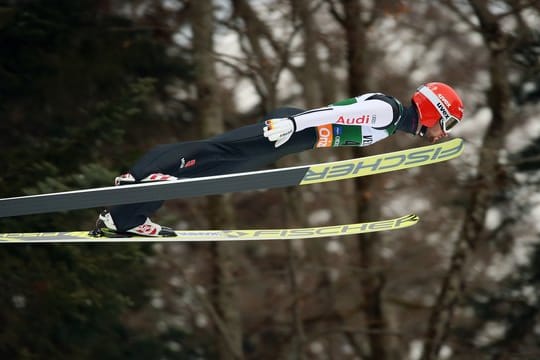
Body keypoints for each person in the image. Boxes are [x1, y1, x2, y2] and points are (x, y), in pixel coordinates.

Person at [91, 82, 464, 237]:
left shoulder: (394, 118)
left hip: (297, 136)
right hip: (296, 129)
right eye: (445, 123)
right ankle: (137, 177)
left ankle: (125, 216)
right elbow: (330, 113)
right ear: (434, 110)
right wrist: (289, 124)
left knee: (211, 166)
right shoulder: (386, 111)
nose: (442, 132)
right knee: (212, 151)